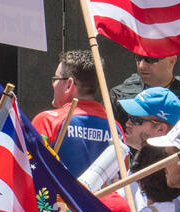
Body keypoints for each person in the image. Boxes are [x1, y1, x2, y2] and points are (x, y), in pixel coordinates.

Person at [80, 85, 180, 212]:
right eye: (128, 117)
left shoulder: (169, 171)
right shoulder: (139, 160)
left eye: (136, 119)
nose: (127, 123)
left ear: (161, 129)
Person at [33, 49, 117, 178]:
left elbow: (30, 170)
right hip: (99, 199)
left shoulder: (47, 121)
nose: (53, 84)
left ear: (69, 84)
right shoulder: (116, 129)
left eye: (55, 78)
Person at [112, 49, 180, 127]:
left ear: (171, 61)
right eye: (138, 57)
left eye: (151, 59)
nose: (142, 66)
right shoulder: (120, 96)